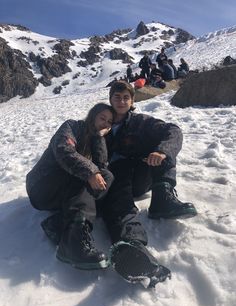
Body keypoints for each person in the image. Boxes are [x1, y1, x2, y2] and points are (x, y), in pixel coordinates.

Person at [101, 81, 197, 246]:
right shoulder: (102, 122)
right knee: (120, 168)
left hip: (140, 179)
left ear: (132, 101)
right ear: (110, 99)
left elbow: (173, 131)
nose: (122, 102)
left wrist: (161, 151)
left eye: (126, 98)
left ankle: (163, 198)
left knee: (163, 149)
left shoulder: (140, 122)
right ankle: (128, 237)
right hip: (116, 183)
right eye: (117, 97)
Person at [26, 103, 114, 270]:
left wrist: (99, 137)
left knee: (106, 176)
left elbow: (101, 168)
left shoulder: (95, 138)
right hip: (41, 186)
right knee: (84, 175)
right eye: (102, 118)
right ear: (92, 116)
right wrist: (90, 172)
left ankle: (59, 224)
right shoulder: (72, 126)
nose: (105, 123)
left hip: (62, 191)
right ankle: (73, 243)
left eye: (109, 121)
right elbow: (64, 150)